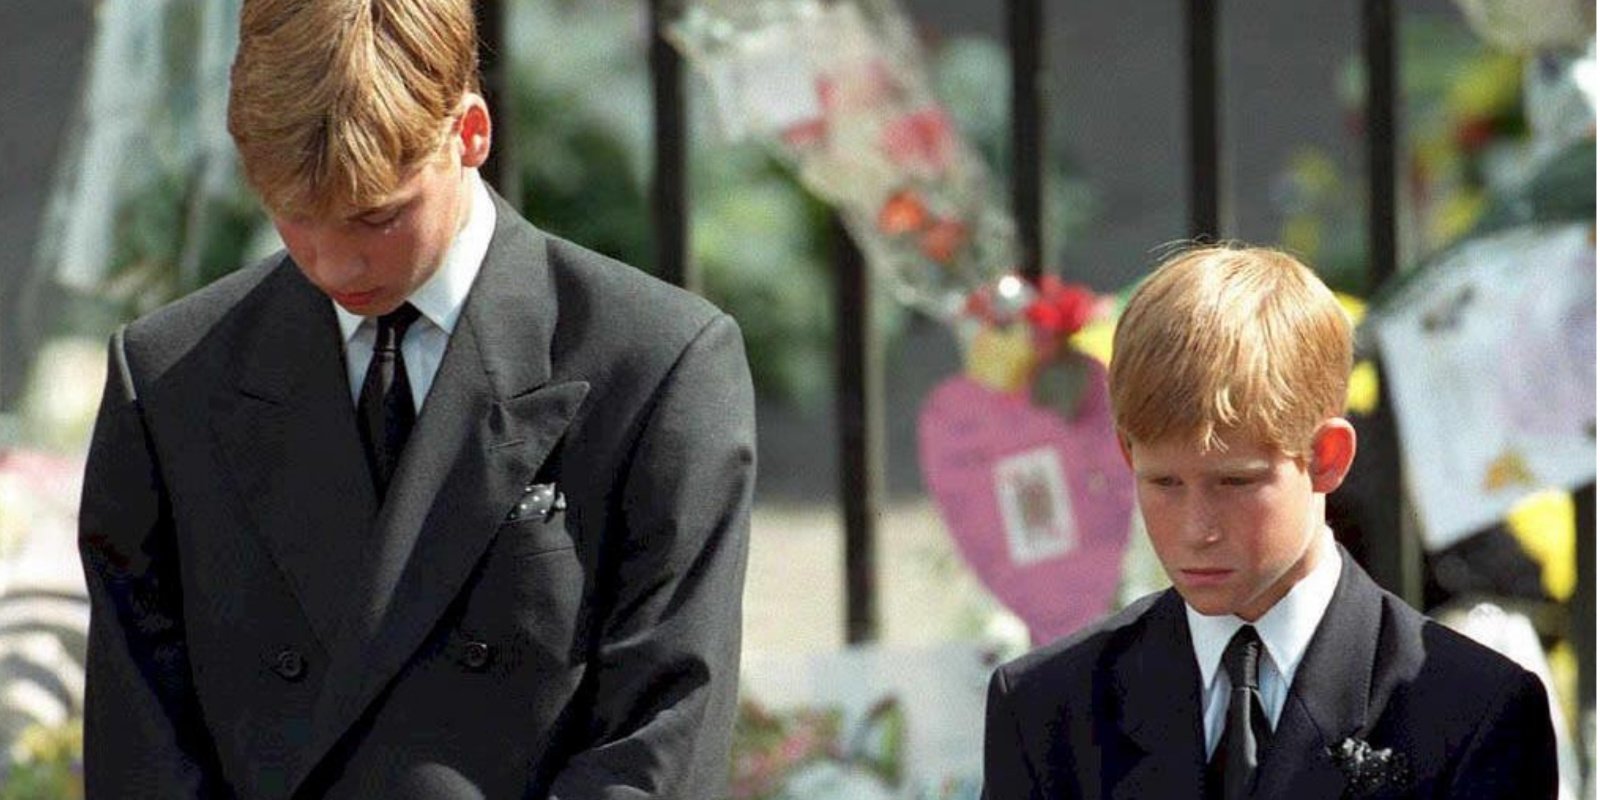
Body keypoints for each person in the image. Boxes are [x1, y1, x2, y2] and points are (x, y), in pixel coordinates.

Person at [76, 0, 755, 796]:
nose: (337, 264)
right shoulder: (168, 380)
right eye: (296, 217)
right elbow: (140, 744)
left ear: (470, 133)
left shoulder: (657, 366)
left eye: (377, 216)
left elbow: (662, 738)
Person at [981, 245, 1556, 799]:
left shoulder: (1472, 711)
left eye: (1235, 483)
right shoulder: (1046, 710)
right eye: (1163, 483)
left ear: (1327, 458)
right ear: (1128, 455)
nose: (1195, 529)